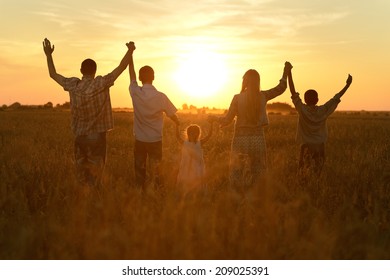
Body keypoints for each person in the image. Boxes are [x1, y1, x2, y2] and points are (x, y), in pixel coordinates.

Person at [43, 38, 134, 187]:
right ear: (95, 70)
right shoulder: (101, 83)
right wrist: (130, 50)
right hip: (97, 137)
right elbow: (121, 67)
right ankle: (93, 204)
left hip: (79, 137)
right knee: (95, 178)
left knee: (81, 177)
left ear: (81, 71)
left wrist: (48, 55)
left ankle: (82, 203)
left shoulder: (73, 85)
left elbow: (53, 74)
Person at [218, 62, 292, 191]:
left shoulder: (237, 98)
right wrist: (285, 72)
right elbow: (281, 88)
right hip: (258, 138)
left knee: (237, 170)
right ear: (258, 81)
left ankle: (237, 197)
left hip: (240, 139)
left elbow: (227, 120)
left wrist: (214, 120)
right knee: (258, 170)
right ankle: (258, 197)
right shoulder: (263, 95)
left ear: (245, 82)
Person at [128, 42, 180, 190]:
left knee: (140, 171)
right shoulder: (161, 96)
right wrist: (178, 122)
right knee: (157, 171)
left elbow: (130, 73)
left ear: (139, 78)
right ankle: (158, 195)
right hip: (156, 140)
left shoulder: (135, 92)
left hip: (140, 140)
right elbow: (173, 115)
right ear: (154, 77)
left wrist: (130, 54)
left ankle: (140, 194)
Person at [287, 66, 353, 177]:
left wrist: (289, 73)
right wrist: (347, 85)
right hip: (320, 146)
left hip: (305, 146)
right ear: (317, 100)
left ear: (304, 99)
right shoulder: (323, 110)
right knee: (318, 172)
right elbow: (336, 97)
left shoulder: (302, 109)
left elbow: (293, 92)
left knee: (302, 172)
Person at [175, 117, 216, 195]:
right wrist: (176, 125)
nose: (193, 134)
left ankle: (196, 195)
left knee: (197, 181)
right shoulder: (185, 143)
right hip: (186, 166)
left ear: (198, 134)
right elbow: (177, 136)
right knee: (186, 180)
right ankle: (186, 194)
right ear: (188, 133)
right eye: (191, 133)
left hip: (197, 166)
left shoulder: (199, 143)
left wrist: (211, 124)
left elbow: (209, 135)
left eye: (195, 133)